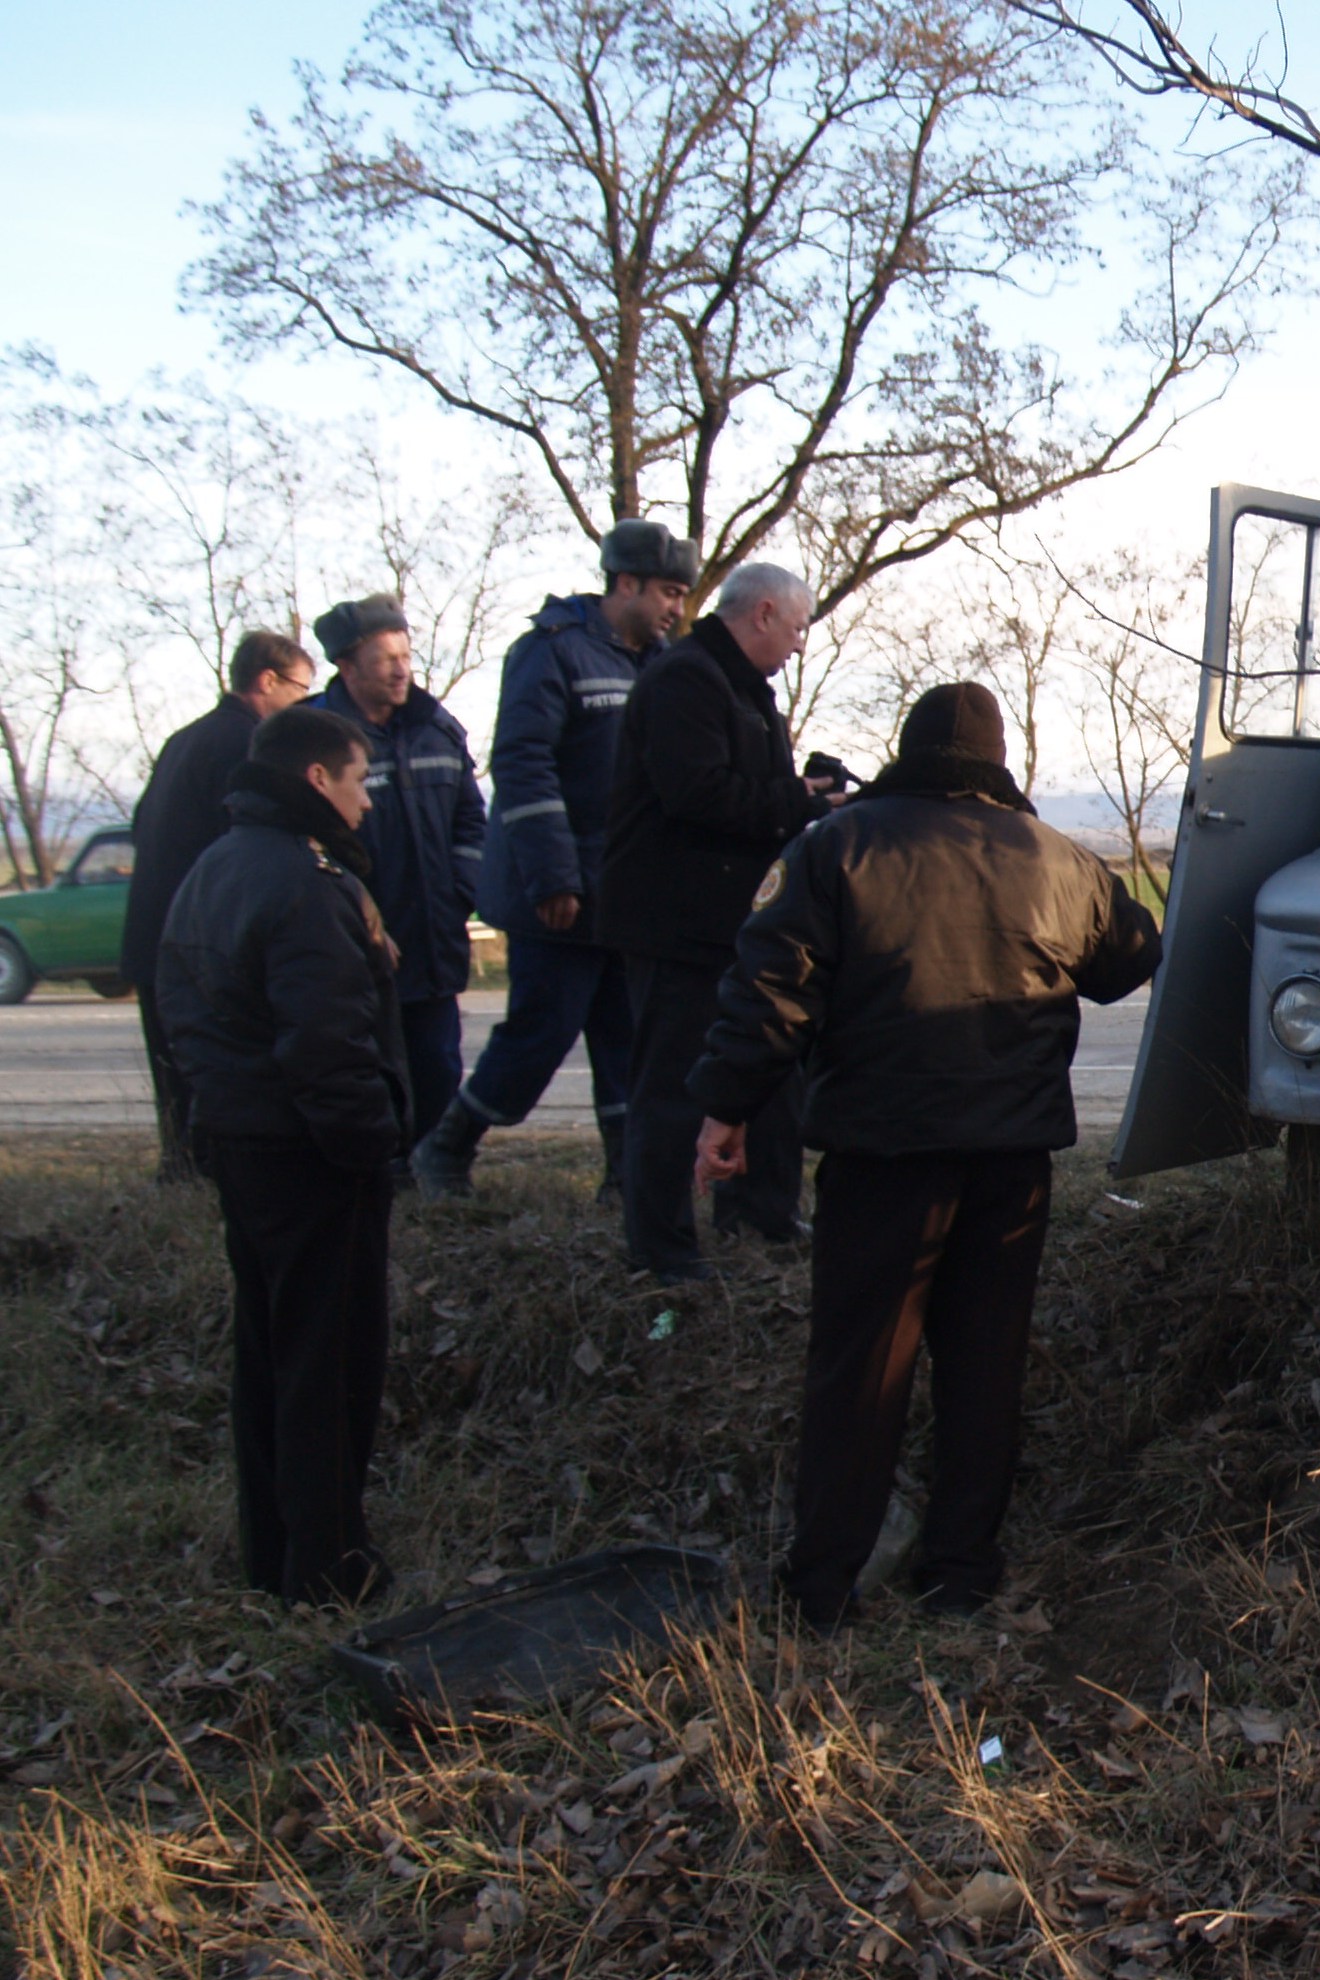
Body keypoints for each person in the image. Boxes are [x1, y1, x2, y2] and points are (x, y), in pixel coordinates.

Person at [688, 682, 1160, 1627]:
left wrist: (726, 1107)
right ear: (995, 764)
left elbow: (769, 989)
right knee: (986, 1365)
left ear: (905, 749)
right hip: (1011, 1158)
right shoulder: (1058, 858)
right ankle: (961, 1574)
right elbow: (1130, 959)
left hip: (881, 1152)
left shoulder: (837, 845)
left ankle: (823, 1587)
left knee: (861, 1366)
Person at [154, 703, 410, 1608]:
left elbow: (182, 1010)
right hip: (312, 1159)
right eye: (357, 782)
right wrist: (371, 1148)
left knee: (268, 1354)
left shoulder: (216, 865)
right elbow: (328, 1048)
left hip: (245, 1144)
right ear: (316, 781)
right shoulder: (309, 885)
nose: (367, 804)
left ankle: (273, 1552)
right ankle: (331, 1567)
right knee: (326, 1365)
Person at [411, 521, 700, 1201]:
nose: (676, 609)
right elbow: (522, 761)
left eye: (683, 595)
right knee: (540, 1033)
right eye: (666, 591)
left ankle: (625, 1176)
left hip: (623, 894)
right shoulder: (552, 653)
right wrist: (554, 876)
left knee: (624, 1037)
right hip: (558, 896)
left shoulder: (658, 664)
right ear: (624, 584)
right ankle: (446, 1150)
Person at [599, 559, 835, 1282]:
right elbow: (697, 793)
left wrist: (806, 795)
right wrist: (799, 799)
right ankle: (663, 1248)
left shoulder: (744, 692)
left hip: (737, 925)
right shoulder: (685, 681)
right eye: (796, 628)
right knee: (673, 1087)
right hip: (676, 924)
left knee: (769, 1067)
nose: (799, 645)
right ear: (762, 613)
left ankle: (763, 1211)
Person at [120, 630, 317, 1182]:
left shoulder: (183, 740)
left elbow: (141, 826)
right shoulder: (249, 745)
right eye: (302, 689)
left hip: (153, 936)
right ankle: (210, 1176)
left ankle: (180, 1172)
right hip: (202, 943)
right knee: (214, 1074)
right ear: (267, 681)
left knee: (173, 1082)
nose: (305, 702)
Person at [313, 595, 486, 1150]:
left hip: (433, 940)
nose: (400, 668)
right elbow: (309, 845)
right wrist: (356, 916)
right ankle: (383, 1173)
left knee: (438, 1064)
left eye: (405, 655)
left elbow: (471, 824)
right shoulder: (319, 738)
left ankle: (434, 1171)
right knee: (372, 1069)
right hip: (358, 947)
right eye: (384, 657)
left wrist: (460, 891)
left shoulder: (438, 729)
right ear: (347, 665)